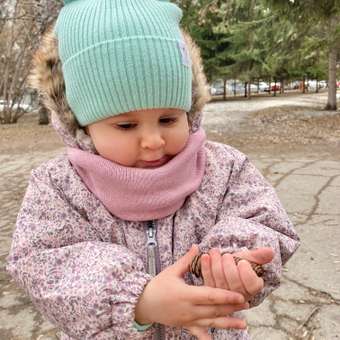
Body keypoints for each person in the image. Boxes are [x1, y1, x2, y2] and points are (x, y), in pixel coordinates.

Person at [6, 1, 300, 339]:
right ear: (83, 124)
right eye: (127, 125)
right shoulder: (59, 185)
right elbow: (41, 263)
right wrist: (137, 299)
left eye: (168, 119)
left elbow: (262, 219)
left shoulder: (224, 168)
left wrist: (236, 261)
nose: (153, 141)